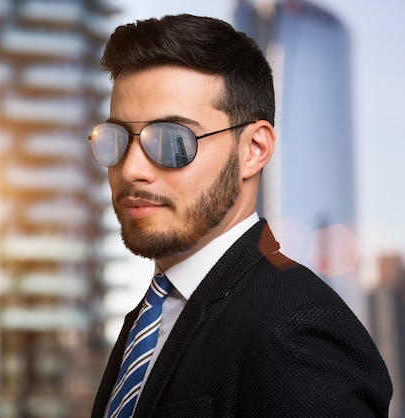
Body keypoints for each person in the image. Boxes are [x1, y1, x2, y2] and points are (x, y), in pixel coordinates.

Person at [87, 14, 392, 418]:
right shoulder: (149, 317)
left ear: (254, 149)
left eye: (173, 141)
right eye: (117, 139)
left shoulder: (295, 329)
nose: (131, 169)